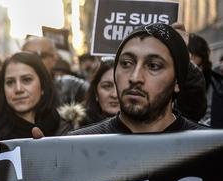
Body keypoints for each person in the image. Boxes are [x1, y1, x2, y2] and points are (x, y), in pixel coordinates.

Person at [70, 23, 208, 135]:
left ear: (177, 81)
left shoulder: (209, 149)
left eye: (153, 66)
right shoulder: (78, 145)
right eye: (126, 63)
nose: (135, 78)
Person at [0, 52, 77, 140]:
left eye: (27, 80)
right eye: (10, 82)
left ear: (43, 85)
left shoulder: (66, 131)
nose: (18, 89)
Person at [21, 36, 89, 105]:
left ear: (54, 58)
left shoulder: (71, 86)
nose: (31, 61)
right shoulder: (15, 90)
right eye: (25, 57)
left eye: (39, 55)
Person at [83, 59, 119, 125]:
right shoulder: (75, 128)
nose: (115, 95)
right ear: (96, 92)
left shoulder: (142, 131)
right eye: (107, 86)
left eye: (120, 87)